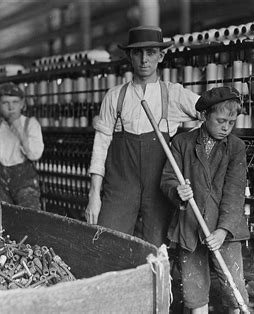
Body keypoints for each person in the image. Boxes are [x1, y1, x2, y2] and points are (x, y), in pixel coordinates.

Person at [85, 25, 201, 247]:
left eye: (150, 53)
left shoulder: (173, 94)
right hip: (120, 186)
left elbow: (211, 112)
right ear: (129, 56)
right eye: (138, 53)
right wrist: (94, 196)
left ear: (161, 55)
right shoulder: (114, 96)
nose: (144, 60)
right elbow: (100, 147)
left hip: (159, 187)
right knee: (107, 241)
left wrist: (187, 145)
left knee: (156, 249)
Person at [160, 87, 250, 314]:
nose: (226, 128)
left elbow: (234, 193)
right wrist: (177, 191)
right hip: (190, 227)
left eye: (231, 122)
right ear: (203, 116)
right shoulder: (182, 143)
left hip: (226, 231)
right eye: (220, 121)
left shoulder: (236, 148)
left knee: (235, 292)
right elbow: (168, 179)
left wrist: (222, 231)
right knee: (194, 293)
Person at [0, 83, 44, 209]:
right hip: (0, 182)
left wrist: (20, 131)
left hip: (24, 182)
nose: (11, 107)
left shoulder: (31, 124)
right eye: (5, 103)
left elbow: (35, 155)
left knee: (29, 217)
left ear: (22, 104)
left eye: (15, 102)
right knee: (2, 217)